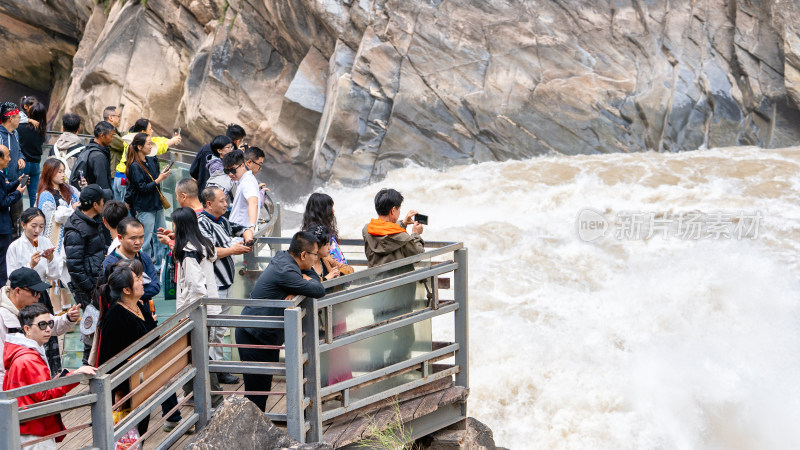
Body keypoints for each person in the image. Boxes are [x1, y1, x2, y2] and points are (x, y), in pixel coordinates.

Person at [236, 231, 325, 411]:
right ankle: (245, 433)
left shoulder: (286, 259)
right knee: (256, 393)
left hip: (264, 334)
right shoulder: (287, 271)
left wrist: (300, 283)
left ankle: (252, 431)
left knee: (262, 390)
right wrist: (304, 281)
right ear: (303, 255)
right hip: (253, 334)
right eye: (315, 255)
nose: (317, 259)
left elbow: (313, 280)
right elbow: (318, 289)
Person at [3, 303, 95, 448]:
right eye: (42, 325)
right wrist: (74, 375)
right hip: (34, 430)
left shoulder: (22, 353)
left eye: (50, 323)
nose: (48, 329)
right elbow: (45, 394)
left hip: (26, 426)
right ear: (27, 329)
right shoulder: (28, 359)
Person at [197, 186, 252, 384]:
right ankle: (213, 370)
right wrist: (232, 249)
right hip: (214, 286)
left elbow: (240, 228)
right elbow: (209, 252)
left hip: (226, 282)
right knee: (213, 328)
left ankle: (217, 367)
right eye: (222, 201)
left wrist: (248, 234)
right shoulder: (202, 223)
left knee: (220, 328)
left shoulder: (222, 220)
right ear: (209, 204)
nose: (226, 204)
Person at [95, 259, 156, 436]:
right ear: (126, 290)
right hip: (127, 387)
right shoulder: (115, 317)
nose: (142, 281)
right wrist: (119, 392)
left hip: (143, 380)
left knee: (140, 431)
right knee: (129, 435)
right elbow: (110, 359)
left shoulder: (139, 306)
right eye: (137, 280)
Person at [0, 268, 80, 386]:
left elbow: (51, 324)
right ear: (17, 291)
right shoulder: (2, 316)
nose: (38, 296)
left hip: (33, 380)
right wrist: (6, 397)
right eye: (35, 292)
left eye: (40, 293)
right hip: (12, 386)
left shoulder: (30, 307)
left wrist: (68, 318)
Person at [63, 184, 111, 364]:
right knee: (91, 328)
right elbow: (74, 267)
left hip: (98, 283)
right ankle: (87, 366)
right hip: (89, 289)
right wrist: (92, 291)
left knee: (97, 327)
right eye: (102, 200)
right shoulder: (76, 229)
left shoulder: (93, 221)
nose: (104, 203)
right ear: (95, 204)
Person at [36, 159, 81, 312]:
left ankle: (68, 309)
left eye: (63, 171)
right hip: (54, 241)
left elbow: (79, 205)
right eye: (59, 171)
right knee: (54, 278)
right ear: (49, 173)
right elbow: (49, 220)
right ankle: (57, 312)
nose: (63, 175)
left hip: (70, 237)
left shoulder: (69, 189)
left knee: (67, 276)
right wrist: (71, 210)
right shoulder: (46, 195)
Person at [124, 133, 171, 265]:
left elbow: (153, 181)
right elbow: (142, 188)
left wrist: (161, 176)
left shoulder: (150, 160)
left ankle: (160, 267)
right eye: (149, 143)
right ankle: (145, 267)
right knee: (145, 241)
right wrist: (159, 179)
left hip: (157, 205)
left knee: (161, 238)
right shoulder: (134, 166)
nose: (151, 146)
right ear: (139, 146)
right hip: (145, 207)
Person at [114, 118, 180, 202]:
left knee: (120, 210)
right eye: (150, 129)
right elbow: (155, 148)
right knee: (125, 211)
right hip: (125, 179)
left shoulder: (134, 138)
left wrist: (171, 140)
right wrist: (172, 141)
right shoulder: (134, 142)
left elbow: (156, 140)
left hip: (120, 177)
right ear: (143, 132)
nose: (152, 131)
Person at [363, 188, 424, 268]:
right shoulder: (402, 237)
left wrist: (403, 223)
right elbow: (418, 254)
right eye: (399, 209)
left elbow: (385, 230)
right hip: (399, 279)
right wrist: (416, 234)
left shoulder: (367, 229)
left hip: (375, 279)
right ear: (393, 210)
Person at [190, 124, 246, 195]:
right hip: (222, 197)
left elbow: (193, 172)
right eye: (242, 142)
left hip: (203, 193)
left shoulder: (205, 148)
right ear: (237, 141)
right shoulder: (233, 157)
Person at [0, 145, 27, 286]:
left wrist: (17, 182)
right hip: (2, 227)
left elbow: (3, 190)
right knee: (3, 260)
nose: (10, 159)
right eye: (7, 156)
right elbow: (3, 201)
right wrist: (18, 193)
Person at [1, 102, 27, 239]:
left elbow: (19, 151)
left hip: (16, 182)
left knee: (18, 217)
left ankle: (16, 243)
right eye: (18, 117)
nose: (19, 120)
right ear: (11, 118)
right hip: (2, 183)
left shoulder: (15, 133)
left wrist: (21, 158)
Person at [223, 149, 265, 230]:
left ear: (243, 165)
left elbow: (253, 203)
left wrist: (251, 227)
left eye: (233, 170)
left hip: (242, 234)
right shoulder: (244, 180)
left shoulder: (248, 181)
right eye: (227, 171)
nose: (230, 174)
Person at [17, 102, 47, 205]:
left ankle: (19, 216)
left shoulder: (20, 127)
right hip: (35, 165)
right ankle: (33, 216)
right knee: (33, 194)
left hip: (23, 164)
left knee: (19, 191)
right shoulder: (42, 129)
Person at [83, 121, 115, 190]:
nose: (112, 139)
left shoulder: (88, 148)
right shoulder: (98, 156)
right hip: (98, 197)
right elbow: (102, 183)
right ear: (102, 136)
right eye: (111, 136)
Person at [204, 137, 236, 206]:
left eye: (232, 147)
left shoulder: (225, 161)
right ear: (219, 150)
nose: (231, 150)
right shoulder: (215, 165)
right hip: (219, 201)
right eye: (228, 147)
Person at [103, 106, 125, 175]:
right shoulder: (107, 131)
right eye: (118, 116)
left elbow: (121, 135)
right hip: (112, 173)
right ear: (111, 117)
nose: (120, 119)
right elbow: (123, 144)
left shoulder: (112, 130)